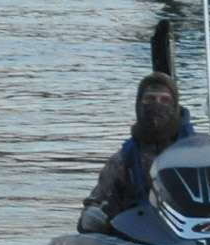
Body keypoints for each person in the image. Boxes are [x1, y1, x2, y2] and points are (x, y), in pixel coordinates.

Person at [78, 72, 196, 233]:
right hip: (142, 236)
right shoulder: (123, 160)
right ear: (139, 104)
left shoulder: (198, 152)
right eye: (150, 99)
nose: (157, 105)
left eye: (165, 100)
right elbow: (97, 201)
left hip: (191, 231)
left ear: (175, 106)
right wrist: (91, 216)